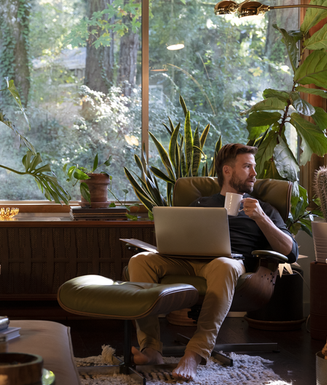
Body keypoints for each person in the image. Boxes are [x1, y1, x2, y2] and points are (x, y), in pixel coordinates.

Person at [128, 143, 299, 380]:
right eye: (247, 166)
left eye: (254, 167)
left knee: (224, 264)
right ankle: (151, 349)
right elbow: (179, 235)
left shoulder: (264, 209)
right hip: (189, 262)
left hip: (230, 264)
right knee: (140, 260)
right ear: (227, 171)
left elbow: (291, 252)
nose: (254, 173)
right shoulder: (200, 203)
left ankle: (194, 353)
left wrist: (260, 218)